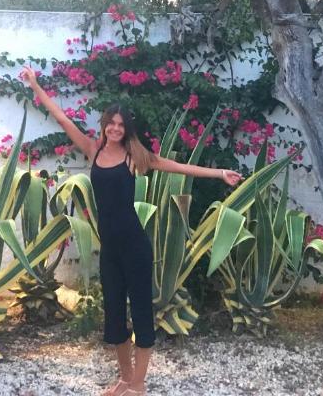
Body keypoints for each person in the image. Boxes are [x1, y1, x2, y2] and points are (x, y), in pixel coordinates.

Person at [21, 67, 243, 396]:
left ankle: (138, 385)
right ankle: (125, 379)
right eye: (111, 123)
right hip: (110, 248)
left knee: (140, 313)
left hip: (135, 247)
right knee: (114, 317)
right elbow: (62, 119)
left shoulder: (135, 156)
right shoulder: (93, 149)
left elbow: (178, 167)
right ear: (105, 125)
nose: (114, 128)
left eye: (121, 125)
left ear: (127, 130)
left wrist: (220, 172)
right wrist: (36, 85)